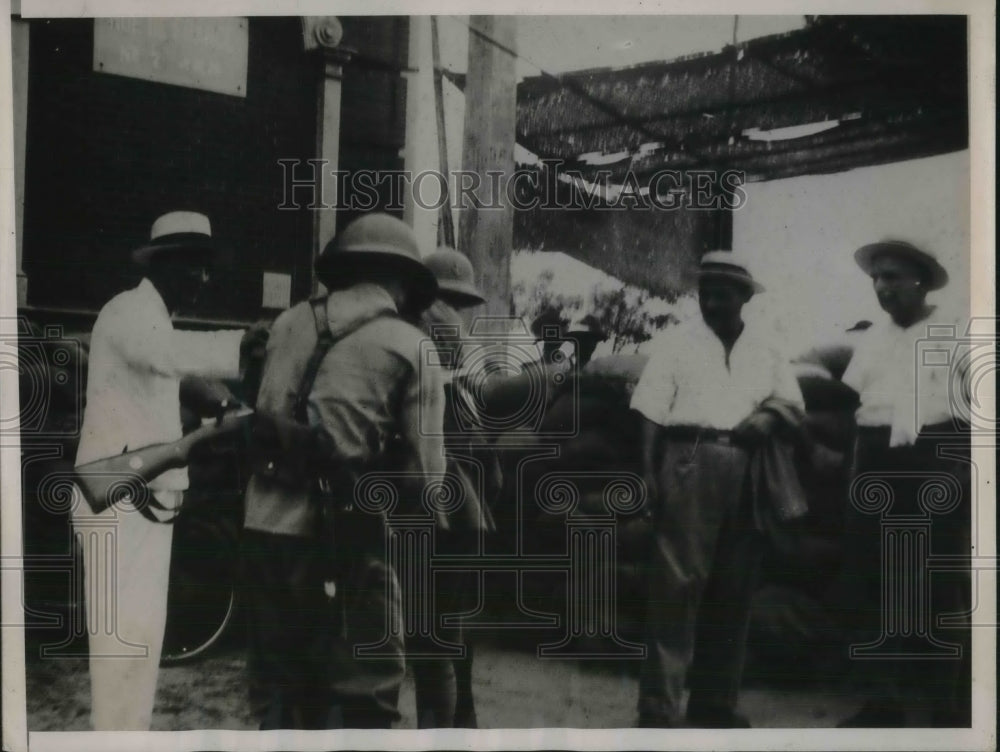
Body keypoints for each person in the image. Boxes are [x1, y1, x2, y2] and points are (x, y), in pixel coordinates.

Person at [242, 213, 446, 729]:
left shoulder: (288, 322)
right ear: (401, 283)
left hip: (262, 526)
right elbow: (427, 483)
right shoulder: (411, 346)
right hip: (341, 539)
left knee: (280, 692)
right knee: (365, 691)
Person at [73, 211, 258, 730]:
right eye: (194, 267)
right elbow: (166, 355)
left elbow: (170, 374)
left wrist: (215, 397)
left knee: (142, 648)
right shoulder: (129, 312)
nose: (203, 279)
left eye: (206, 268)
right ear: (165, 264)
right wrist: (244, 346)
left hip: (146, 506)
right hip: (116, 502)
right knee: (120, 654)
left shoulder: (154, 318)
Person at [630, 250, 804, 728]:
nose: (711, 301)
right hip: (688, 457)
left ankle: (714, 704)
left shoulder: (767, 347)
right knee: (676, 584)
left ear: (744, 297)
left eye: (722, 293)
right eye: (705, 292)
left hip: (748, 466)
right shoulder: (676, 344)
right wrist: (647, 472)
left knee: (735, 586)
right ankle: (659, 709)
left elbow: (792, 402)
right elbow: (648, 411)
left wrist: (766, 418)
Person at [836, 239, 971, 728]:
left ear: (920, 280)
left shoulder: (956, 331)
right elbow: (859, 407)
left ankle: (950, 706)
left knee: (940, 580)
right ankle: (883, 701)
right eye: (876, 278)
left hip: (937, 455)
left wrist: (959, 468)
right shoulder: (872, 338)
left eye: (892, 277)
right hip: (876, 459)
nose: (882, 287)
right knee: (878, 577)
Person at [411, 247, 501, 728]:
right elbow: (479, 423)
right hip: (460, 495)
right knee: (450, 617)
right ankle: (459, 716)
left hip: (438, 492)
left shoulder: (423, 328)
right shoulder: (449, 334)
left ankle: (450, 718)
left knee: (433, 621)